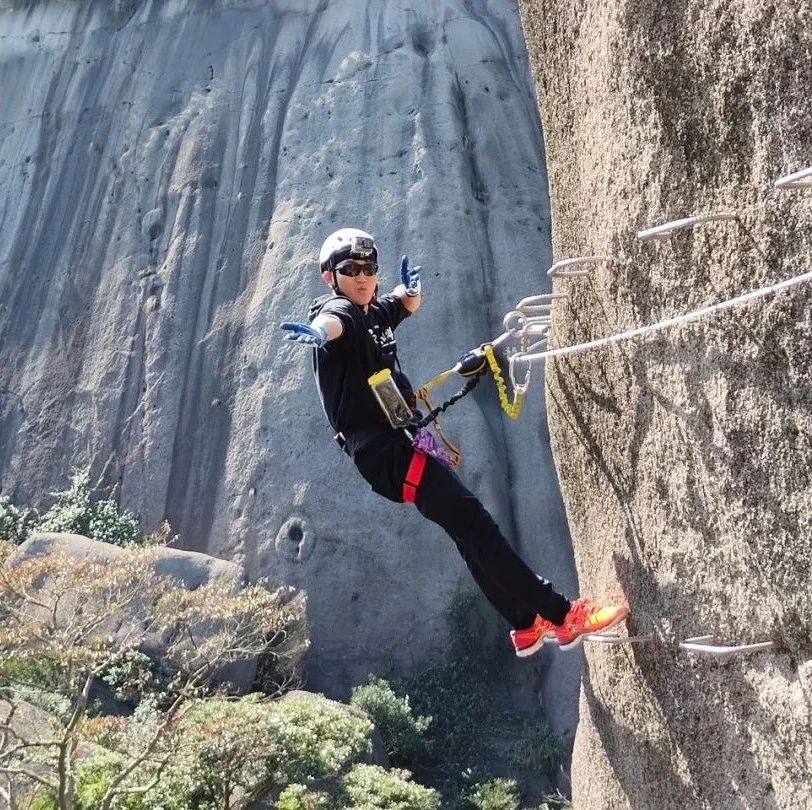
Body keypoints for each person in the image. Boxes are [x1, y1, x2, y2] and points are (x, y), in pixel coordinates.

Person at [281, 227, 628, 657]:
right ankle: (561, 615)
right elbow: (331, 324)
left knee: (467, 530)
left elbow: (403, 305)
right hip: (385, 452)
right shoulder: (342, 313)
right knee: (475, 523)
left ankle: (524, 625)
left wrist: (411, 292)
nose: (363, 277)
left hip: (398, 445)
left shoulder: (369, 312)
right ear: (329, 276)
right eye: (350, 270)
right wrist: (318, 334)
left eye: (369, 268)